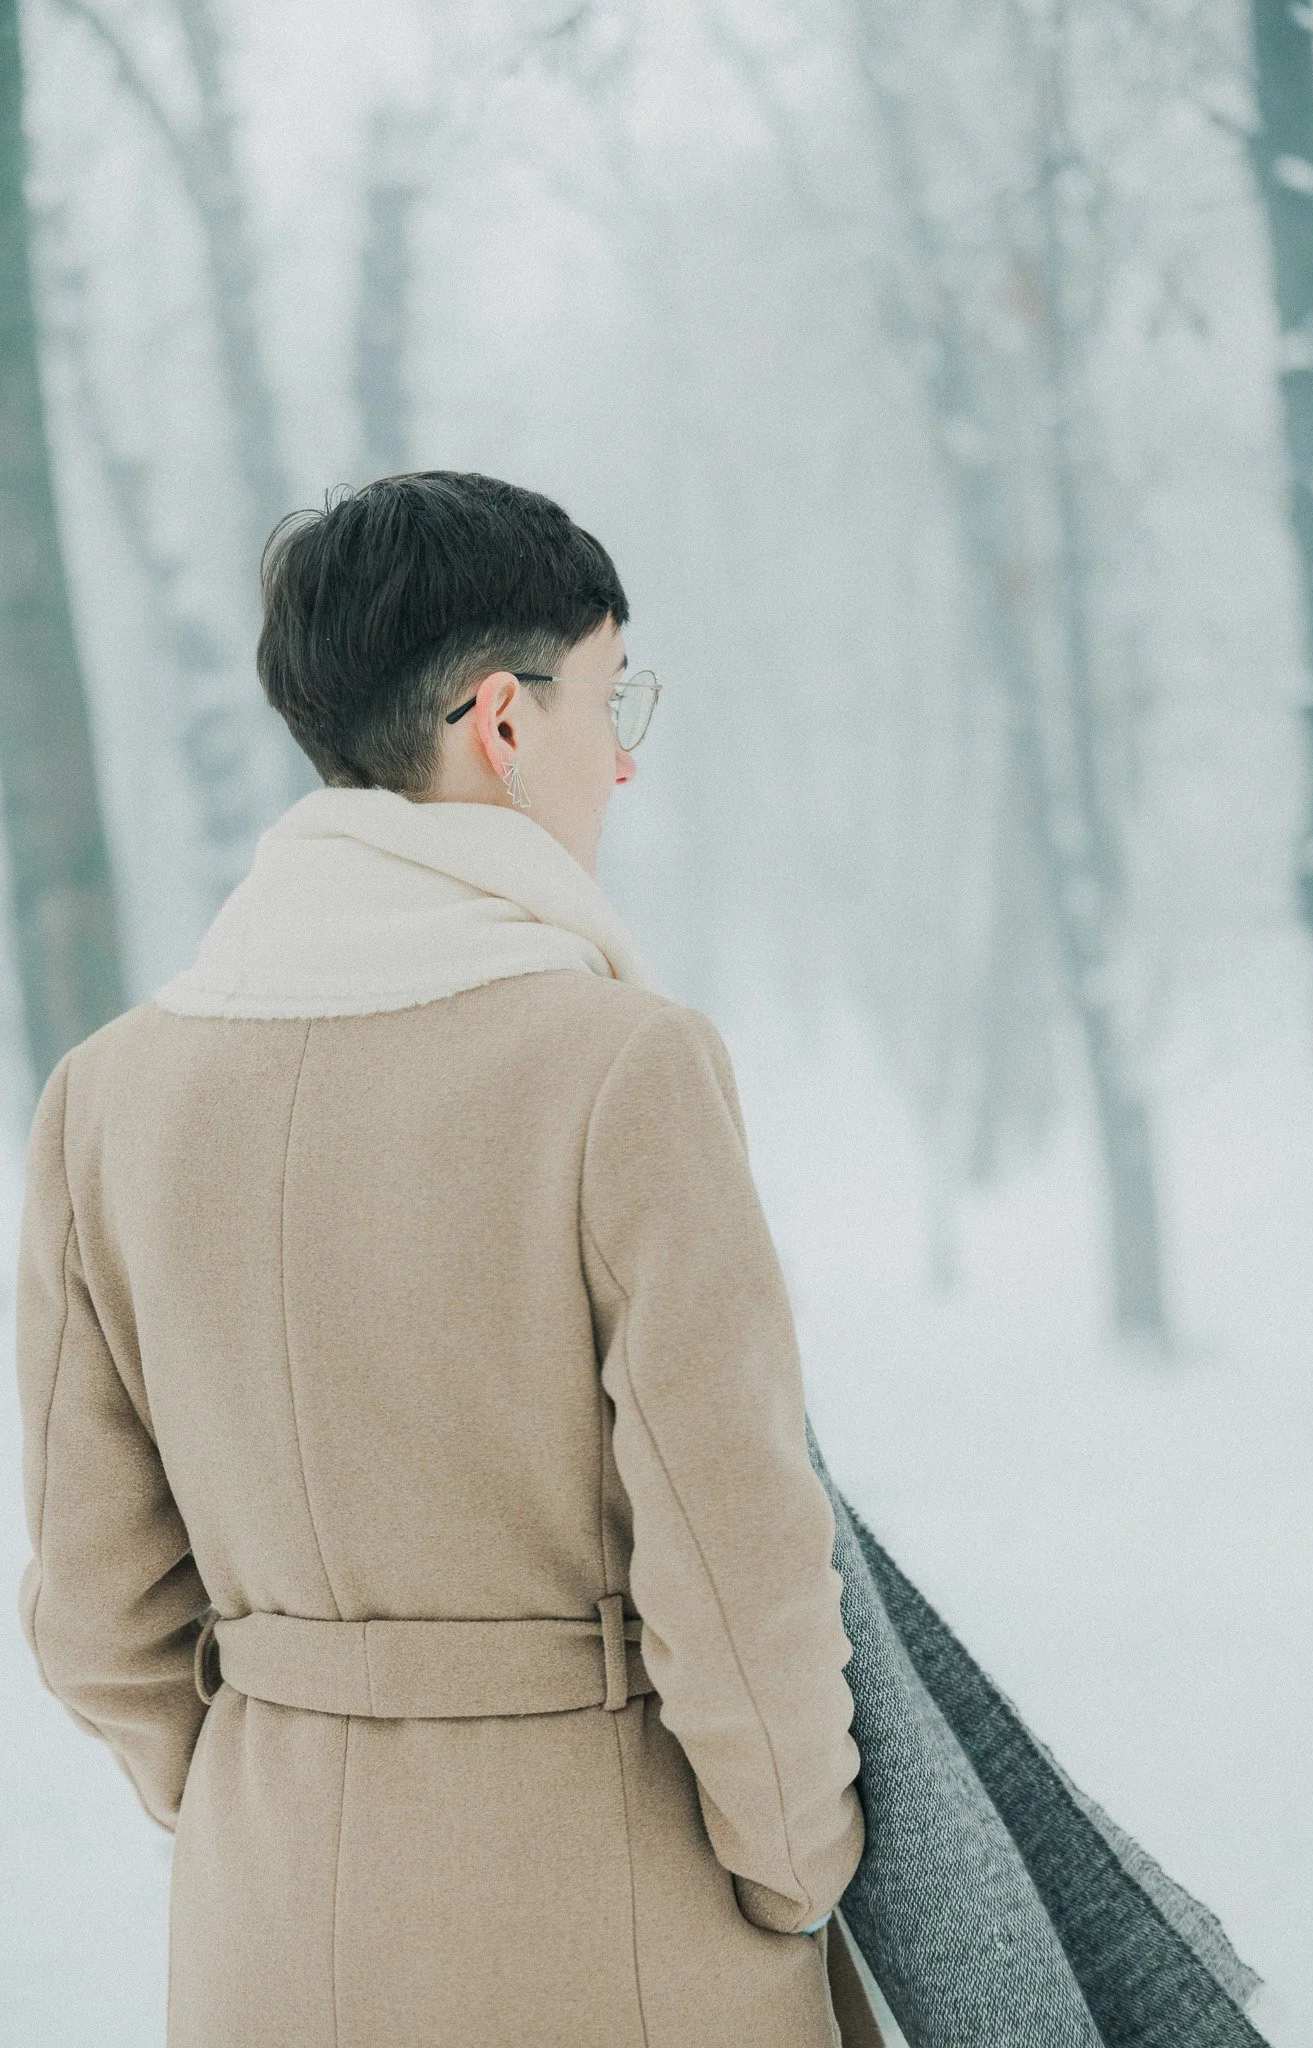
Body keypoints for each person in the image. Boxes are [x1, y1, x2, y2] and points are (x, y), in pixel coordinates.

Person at [13, 470, 869, 2047]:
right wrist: (797, 1875)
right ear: (500, 720)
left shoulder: (103, 1101)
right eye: (613, 699)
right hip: (611, 1927)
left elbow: (91, 1612)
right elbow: (737, 1570)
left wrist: (268, 1776)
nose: (620, 760)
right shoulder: (624, 1069)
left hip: (262, 1941)